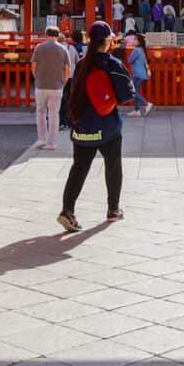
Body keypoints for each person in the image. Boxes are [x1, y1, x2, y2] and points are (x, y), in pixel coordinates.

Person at [57, 21, 135, 233]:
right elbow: (128, 94)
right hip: (107, 125)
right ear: (108, 41)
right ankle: (113, 209)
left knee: (79, 168)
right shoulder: (112, 64)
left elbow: (72, 92)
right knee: (113, 166)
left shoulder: (82, 64)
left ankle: (67, 210)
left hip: (82, 125)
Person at [31, 26, 71, 150]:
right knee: (54, 114)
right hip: (56, 85)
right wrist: (63, 81)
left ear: (46, 34)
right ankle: (52, 142)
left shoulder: (39, 48)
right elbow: (67, 68)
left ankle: (42, 139)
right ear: (58, 35)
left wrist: (37, 77)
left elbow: (33, 65)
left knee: (40, 112)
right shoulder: (63, 49)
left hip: (41, 84)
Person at [127, 33, 154, 118]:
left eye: (135, 39)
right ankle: (136, 110)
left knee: (133, 92)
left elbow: (129, 60)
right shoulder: (141, 50)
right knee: (136, 92)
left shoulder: (136, 50)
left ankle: (147, 104)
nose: (133, 41)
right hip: (141, 74)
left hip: (137, 74)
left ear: (139, 42)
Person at [58, 32, 80, 131]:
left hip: (60, 77)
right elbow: (77, 61)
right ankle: (70, 121)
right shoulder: (72, 48)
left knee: (61, 99)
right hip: (71, 76)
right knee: (70, 99)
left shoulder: (57, 49)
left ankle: (62, 121)